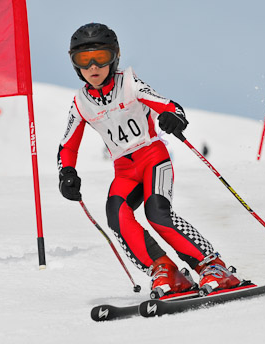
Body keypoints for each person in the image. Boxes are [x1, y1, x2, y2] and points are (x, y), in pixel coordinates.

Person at [57, 23, 241, 297]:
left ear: (115, 57)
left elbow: (169, 105)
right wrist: (66, 173)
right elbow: (67, 146)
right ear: (75, 64)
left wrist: (173, 116)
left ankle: (212, 266)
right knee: (117, 216)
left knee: (157, 213)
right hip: (124, 169)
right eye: (84, 60)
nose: (93, 66)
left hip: (153, 158)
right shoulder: (81, 103)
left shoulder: (129, 83)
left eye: (100, 57)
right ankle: (166, 271)